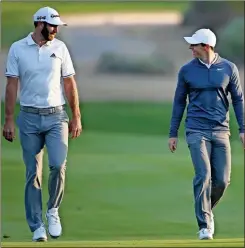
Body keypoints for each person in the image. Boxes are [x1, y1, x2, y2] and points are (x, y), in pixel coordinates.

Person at [3, 6, 82, 242]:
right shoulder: (18, 48)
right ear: (39, 24)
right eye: (52, 25)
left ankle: (53, 210)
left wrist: (76, 115)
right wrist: (8, 119)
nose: (56, 30)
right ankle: (37, 225)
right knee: (32, 173)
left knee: (58, 164)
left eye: (57, 25)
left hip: (57, 116)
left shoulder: (60, 48)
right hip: (28, 117)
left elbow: (69, 83)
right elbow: (11, 86)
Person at [168, 28, 244, 240]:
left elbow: (237, 100)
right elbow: (178, 102)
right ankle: (204, 224)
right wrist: (173, 133)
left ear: (206, 46)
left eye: (194, 45)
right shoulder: (186, 71)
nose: (191, 48)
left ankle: (206, 210)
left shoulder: (229, 68)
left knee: (222, 180)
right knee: (204, 174)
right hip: (196, 129)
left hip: (221, 130)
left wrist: (243, 129)